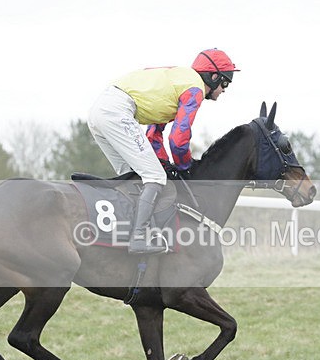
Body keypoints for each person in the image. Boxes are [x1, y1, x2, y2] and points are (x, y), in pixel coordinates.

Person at [87, 49, 239, 254]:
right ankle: (138, 238)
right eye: (225, 83)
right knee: (155, 177)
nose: (224, 90)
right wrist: (186, 166)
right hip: (117, 111)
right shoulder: (194, 89)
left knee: (133, 177)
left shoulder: (180, 82)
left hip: (101, 110)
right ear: (213, 77)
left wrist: (165, 162)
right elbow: (178, 139)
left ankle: (125, 235)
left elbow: (154, 134)